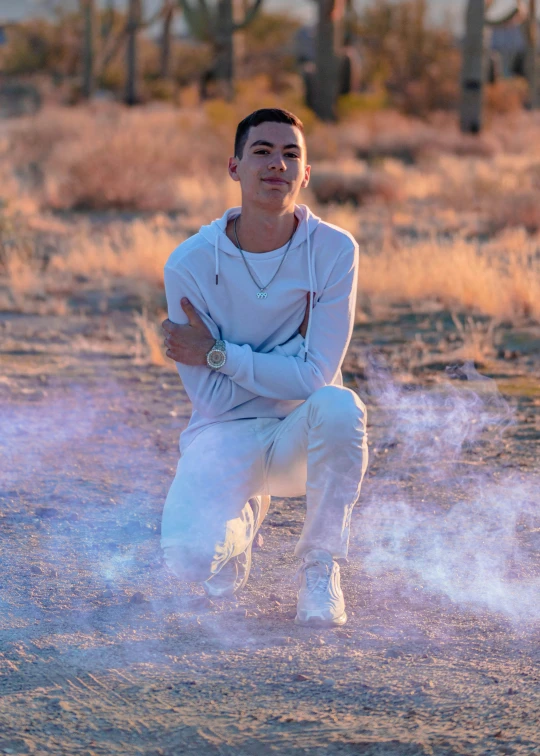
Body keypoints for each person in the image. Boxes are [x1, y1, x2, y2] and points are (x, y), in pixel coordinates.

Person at [160, 108, 368, 627]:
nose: (277, 164)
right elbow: (211, 399)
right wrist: (282, 370)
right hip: (223, 433)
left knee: (340, 406)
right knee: (186, 560)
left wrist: (218, 353)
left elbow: (316, 378)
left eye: (290, 154)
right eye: (262, 152)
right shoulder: (188, 264)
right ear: (234, 167)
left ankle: (321, 570)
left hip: (303, 435)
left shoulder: (335, 251)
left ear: (306, 174)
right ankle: (241, 524)